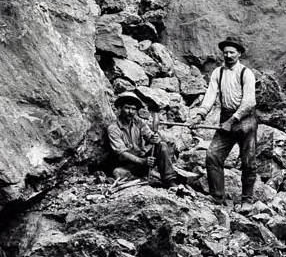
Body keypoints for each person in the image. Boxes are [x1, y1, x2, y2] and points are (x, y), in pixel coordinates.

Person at [197, 36, 258, 209]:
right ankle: (217, 197)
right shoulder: (218, 72)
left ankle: (247, 200)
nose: (228, 55)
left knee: (248, 161)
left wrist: (232, 120)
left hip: (245, 120)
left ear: (239, 54)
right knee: (212, 155)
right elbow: (210, 95)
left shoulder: (246, 73)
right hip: (226, 117)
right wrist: (200, 115)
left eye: (232, 52)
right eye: (225, 53)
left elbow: (249, 102)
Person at [105, 91, 189, 186]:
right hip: (127, 164)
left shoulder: (138, 122)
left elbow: (149, 135)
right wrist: (142, 161)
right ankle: (142, 178)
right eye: (127, 108)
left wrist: (154, 138)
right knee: (117, 172)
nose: (130, 112)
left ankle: (170, 180)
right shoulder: (113, 128)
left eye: (133, 109)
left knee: (162, 145)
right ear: (120, 108)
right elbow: (122, 153)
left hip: (144, 161)